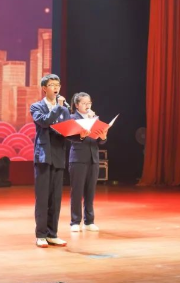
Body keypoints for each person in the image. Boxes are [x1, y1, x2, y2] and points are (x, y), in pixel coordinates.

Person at [30, 74, 71, 248]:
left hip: (58, 156)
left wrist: (81, 134)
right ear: (44, 88)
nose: (56, 88)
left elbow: (68, 130)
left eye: (58, 85)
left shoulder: (65, 108)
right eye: (52, 85)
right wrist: (58, 108)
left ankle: (52, 234)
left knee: (55, 198)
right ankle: (41, 235)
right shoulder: (36, 107)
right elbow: (45, 122)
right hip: (44, 156)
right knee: (42, 198)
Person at [67, 92, 108, 233]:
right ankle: (75, 221)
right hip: (78, 158)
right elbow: (69, 137)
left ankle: (89, 221)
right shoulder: (72, 118)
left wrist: (103, 137)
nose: (87, 106)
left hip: (93, 158)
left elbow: (100, 140)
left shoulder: (95, 118)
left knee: (90, 191)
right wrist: (81, 136)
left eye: (89, 103)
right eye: (84, 103)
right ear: (77, 105)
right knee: (77, 191)